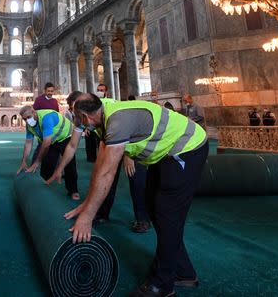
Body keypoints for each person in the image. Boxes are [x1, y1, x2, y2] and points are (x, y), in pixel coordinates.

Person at [66, 94, 208, 297]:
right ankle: (183, 272)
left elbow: (108, 173)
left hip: (187, 147)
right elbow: (100, 167)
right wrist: (87, 205)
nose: (76, 122)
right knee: (152, 206)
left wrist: (87, 217)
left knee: (167, 213)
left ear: (84, 116)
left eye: (75, 117)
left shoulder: (116, 122)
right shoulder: (101, 116)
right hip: (164, 153)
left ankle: (161, 285)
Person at [49, 92, 151, 233]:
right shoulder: (81, 115)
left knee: (136, 180)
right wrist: (60, 168)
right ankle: (102, 213)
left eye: (73, 108)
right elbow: (72, 146)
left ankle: (142, 219)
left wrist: (129, 156)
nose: (74, 113)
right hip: (110, 143)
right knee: (103, 176)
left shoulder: (111, 108)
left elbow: (128, 129)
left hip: (135, 144)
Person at [17, 104, 80, 200]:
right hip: (51, 139)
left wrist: (37, 162)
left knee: (69, 163)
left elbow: (46, 143)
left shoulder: (46, 118)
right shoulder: (29, 126)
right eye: (24, 119)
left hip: (66, 136)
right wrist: (24, 161)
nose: (27, 121)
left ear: (34, 112)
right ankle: (44, 188)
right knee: (47, 163)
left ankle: (73, 190)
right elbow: (28, 143)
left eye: (29, 117)